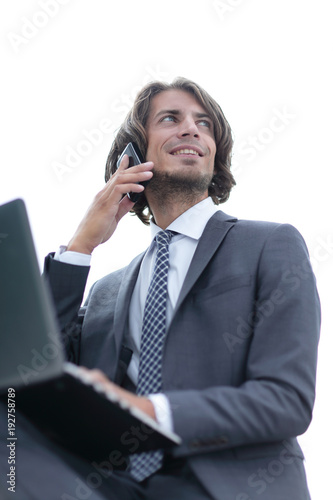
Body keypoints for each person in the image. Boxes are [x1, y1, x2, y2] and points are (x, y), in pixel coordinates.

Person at [8, 78, 321, 499]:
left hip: (225, 488)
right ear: (131, 157)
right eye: (170, 119)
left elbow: (285, 400)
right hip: (114, 486)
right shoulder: (106, 292)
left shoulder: (269, 244)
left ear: (215, 153)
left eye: (204, 124)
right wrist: (82, 244)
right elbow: (27, 376)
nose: (191, 129)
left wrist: (148, 412)